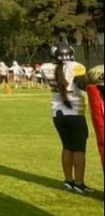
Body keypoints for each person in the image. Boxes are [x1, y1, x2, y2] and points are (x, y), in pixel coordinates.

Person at [41, 43, 92, 194]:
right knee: (79, 149)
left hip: (57, 113)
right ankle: (79, 183)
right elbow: (82, 85)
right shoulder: (75, 67)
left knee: (67, 146)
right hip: (74, 112)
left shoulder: (46, 68)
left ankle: (68, 181)